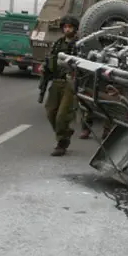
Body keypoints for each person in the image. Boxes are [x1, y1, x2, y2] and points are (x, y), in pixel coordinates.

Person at [44, 15, 80, 156]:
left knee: (61, 115)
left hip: (70, 84)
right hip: (56, 82)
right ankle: (65, 133)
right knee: (50, 112)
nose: (67, 29)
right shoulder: (58, 43)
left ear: (75, 29)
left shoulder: (79, 45)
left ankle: (61, 142)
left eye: (70, 27)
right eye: (65, 27)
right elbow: (50, 60)